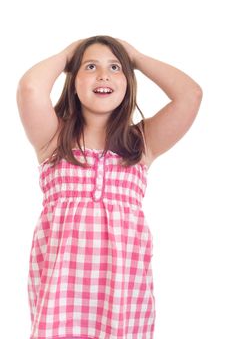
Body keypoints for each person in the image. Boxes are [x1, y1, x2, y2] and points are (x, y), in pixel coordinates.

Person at [17, 35, 202, 339]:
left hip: (121, 301)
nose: (104, 74)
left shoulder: (141, 144)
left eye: (115, 67)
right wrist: (68, 54)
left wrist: (136, 56)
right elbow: (30, 88)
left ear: (128, 82)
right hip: (61, 300)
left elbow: (190, 95)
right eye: (91, 66)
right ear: (73, 80)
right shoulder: (53, 139)